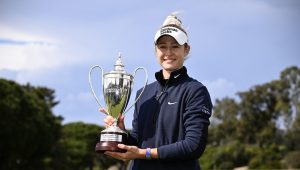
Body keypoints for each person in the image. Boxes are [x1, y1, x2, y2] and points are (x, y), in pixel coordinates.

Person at [101, 12, 213, 170]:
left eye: (175, 46)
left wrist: (144, 153)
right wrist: (120, 130)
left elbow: (193, 146)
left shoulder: (195, 91)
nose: (168, 52)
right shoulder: (144, 92)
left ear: (186, 50)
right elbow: (137, 142)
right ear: (156, 51)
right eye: (162, 47)